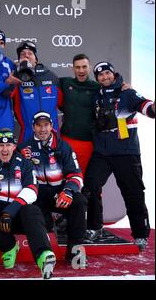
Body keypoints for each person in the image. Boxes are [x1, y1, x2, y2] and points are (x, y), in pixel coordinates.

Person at [83, 62, 155, 251]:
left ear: (113, 74)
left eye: (107, 73)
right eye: (100, 75)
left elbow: (146, 106)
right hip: (102, 152)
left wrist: (152, 107)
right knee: (90, 186)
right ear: (97, 78)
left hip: (126, 152)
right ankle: (94, 227)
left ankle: (140, 235)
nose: (105, 77)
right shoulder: (97, 96)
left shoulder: (127, 93)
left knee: (133, 193)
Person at [0, 128, 57, 279]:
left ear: (14, 146)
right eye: (1, 146)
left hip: (17, 213)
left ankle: (44, 254)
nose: (5, 149)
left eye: (8, 145)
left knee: (32, 210)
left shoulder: (24, 164)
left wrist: (10, 211)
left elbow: (31, 190)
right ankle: (9, 246)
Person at [18, 112, 87, 264]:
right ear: (33, 127)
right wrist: (22, 160)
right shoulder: (24, 147)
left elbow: (76, 175)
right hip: (37, 194)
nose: (42, 129)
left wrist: (68, 192)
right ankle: (45, 254)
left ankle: (75, 250)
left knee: (79, 201)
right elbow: (16, 177)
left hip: (60, 192)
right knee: (40, 222)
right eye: (39, 125)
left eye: (46, 125)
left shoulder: (63, 146)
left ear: (51, 126)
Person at [10, 41, 61, 142]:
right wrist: (15, 75)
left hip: (52, 134)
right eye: (22, 54)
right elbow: (5, 95)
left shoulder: (51, 76)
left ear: (36, 59)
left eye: (30, 53)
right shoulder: (15, 77)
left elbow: (63, 104)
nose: (26, 56)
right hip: (28, 134)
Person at [58, 54, 101, 175]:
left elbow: (114, 89)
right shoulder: (65, 82)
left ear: (89, 67)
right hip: (65, 139)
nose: (81, 70)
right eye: (77, 67)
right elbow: (43, 80)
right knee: (61, 177)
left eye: (84, 67)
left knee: (81, 178)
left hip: (86, 142)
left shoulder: (97, 87)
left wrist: (123, 86)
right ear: (73, 68)